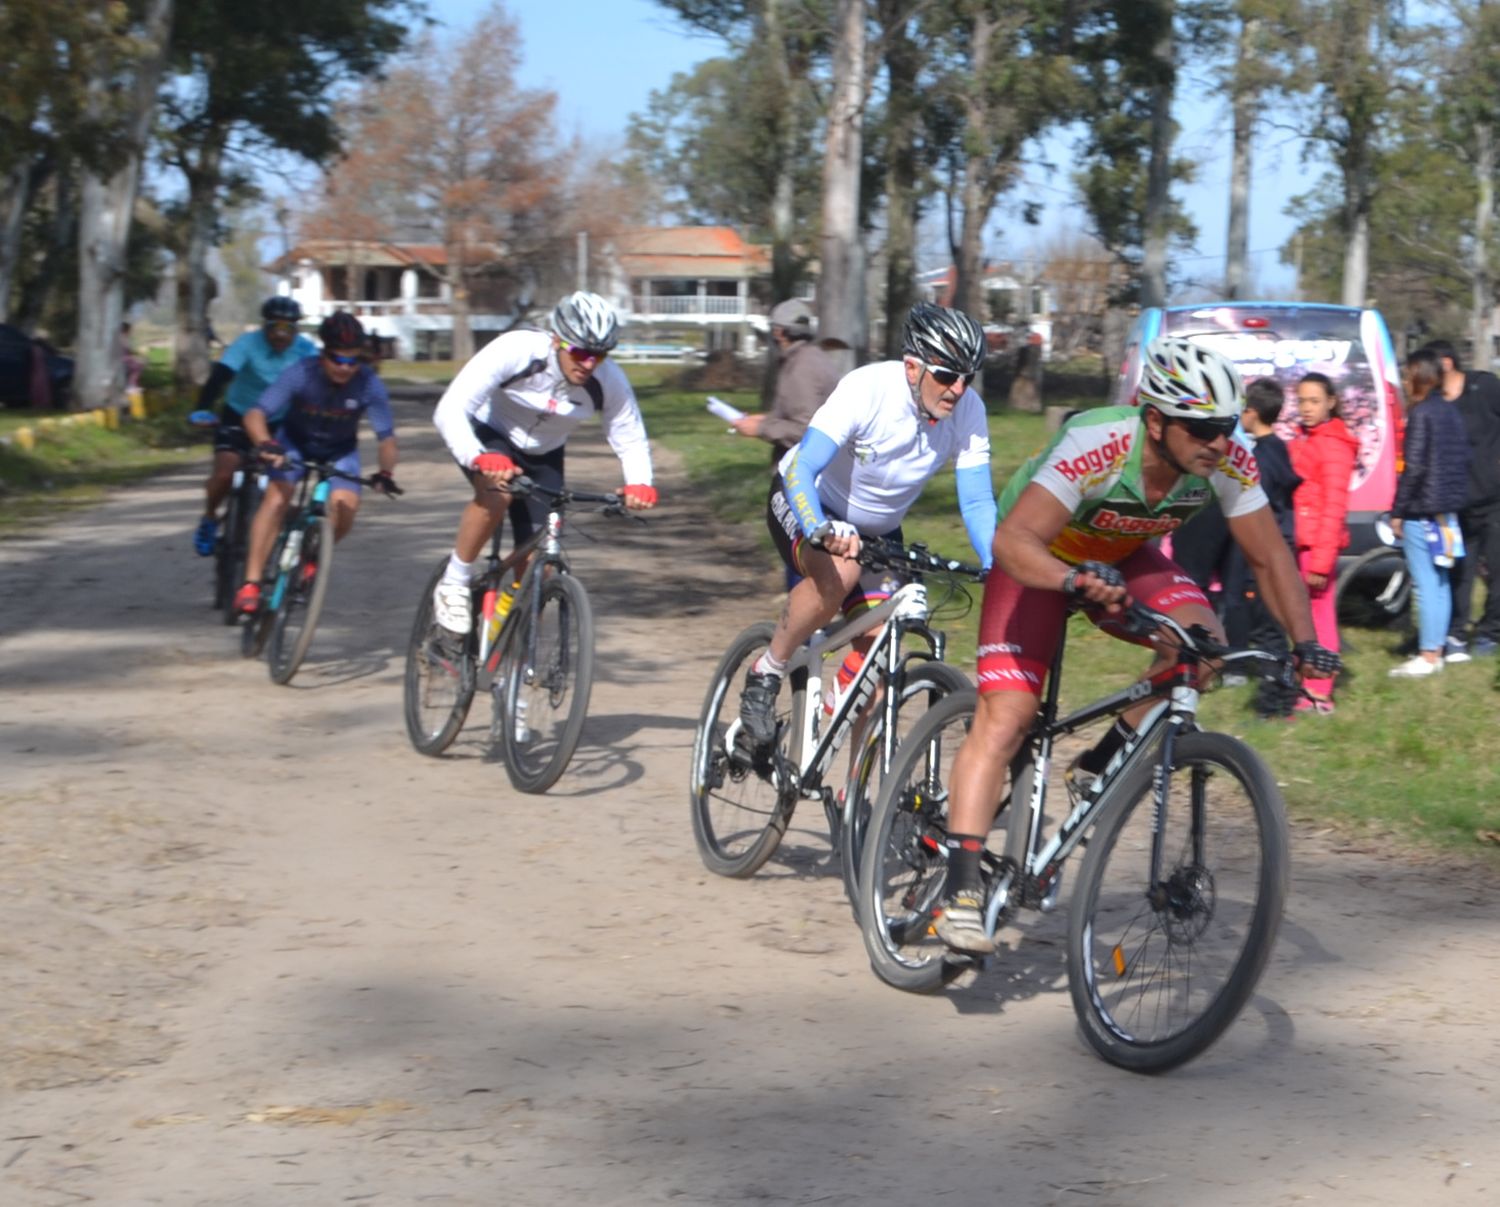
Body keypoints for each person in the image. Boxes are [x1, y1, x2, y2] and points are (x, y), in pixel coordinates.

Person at [932, 337, 1338, 954]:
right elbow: (1015, 541)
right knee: (1009, 716)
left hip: (1118, 557)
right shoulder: (1099, 445)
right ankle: (960, 890)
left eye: (1226, 427)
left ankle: (1099, 765)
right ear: (1154, 420)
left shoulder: (1227, 462)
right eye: (1201, 428)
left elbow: (1268, 555)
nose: (1217, 442)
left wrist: (1305, 642)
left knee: (1202, 649)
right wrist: (1072, 581)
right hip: (1038, 558)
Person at [736, 301, 998, 746]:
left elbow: (976, 501)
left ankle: (854, 805)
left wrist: (996, 563)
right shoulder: (867, 389)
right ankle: (767, 672)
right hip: (808, 501)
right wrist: (820, 528)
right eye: (947, 375)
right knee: (840, 572)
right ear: (912, 367)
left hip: (877, 530)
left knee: (880, 662)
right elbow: (803, 470)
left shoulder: (969, 412)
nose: (957, 388)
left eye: (966, 377)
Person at [428, 291, 658, 635]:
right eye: (580, 352)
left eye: (599, 355)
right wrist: (477, 456)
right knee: (497, 494)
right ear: (556, 340)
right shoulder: (516, 350)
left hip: (544, 453)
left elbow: (629, 435)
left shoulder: (609, 380)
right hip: (490, 436)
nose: (589, 364)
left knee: (539, 572)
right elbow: (451, 408)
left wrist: (639, 482)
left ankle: (506, 658)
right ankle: (454, 582)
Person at [234, 312, 399, 614]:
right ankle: (251, 583)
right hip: (293, 445)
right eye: (338, 360)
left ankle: (312, 555)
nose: (345, 368)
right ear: (323, 354)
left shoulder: (368, 383)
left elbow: (386, 438)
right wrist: (265, 443)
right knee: (275, 499)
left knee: (345, 506)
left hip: (339, 451)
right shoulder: (301, 372)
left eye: (352, 361)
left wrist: (385, 472)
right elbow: (255, 414)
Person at [730, 299, 844, 590]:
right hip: (830, 477)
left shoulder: (800, 368)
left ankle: (803, 621)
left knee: (802, 554)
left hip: (809, 480)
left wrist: (760, 428)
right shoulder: (812, 359)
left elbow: (806, 430)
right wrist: (767, 418)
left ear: (779, 332)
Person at [193, 297, 318, 556]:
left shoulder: (307, 350)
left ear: (297, 330)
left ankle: (279, 524)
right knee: (225, 473)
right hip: (238, 414)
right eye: (275, 328)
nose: (281, 336)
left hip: (278, 422)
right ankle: (209, 517)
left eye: (288, 329)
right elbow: (220, 376)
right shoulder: (247, 343)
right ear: (265, 327)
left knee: (281, 481)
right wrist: (202, 408)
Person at [1388, 349, 1472, 677]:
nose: (1406, 382)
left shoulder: (1421, 414)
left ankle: (1427, 655)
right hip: (1446, 512)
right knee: (1440, 583)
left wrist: (1398, 510)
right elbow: (1464, 457)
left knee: (1425, 585)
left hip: (1421, 511)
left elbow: (1415, 467)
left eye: (1409, 375)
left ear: (1421, 376)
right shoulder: (1450, 411)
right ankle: (1435, 650)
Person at [1421, 339, 1500, 659]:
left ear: (1447, 363)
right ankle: (1455, 633)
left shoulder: (1486, 387)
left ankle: (1491, 632)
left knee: (1497, 571)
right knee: (1459, 574)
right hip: (1454, 505)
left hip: (1494, 499)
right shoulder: (1435, 402)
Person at [1287, 371, 1357, 714]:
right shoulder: (1308, 438)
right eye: (1301, 400)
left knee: (1320, 618)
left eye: (1314, 401)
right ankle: (1308, 681)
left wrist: (1321, 560)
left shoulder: (1333, 445)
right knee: (1306, 617)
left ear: (1331, 402)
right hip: (1303, 543)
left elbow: (1334, 507)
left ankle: (1319, 691)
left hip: (1316, 547)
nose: (1307, 407)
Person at [1238, 376, 1302, 716]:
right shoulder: (1280, 448)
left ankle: (1275, 701)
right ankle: (1282, 692)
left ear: (1252, 412)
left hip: (1266, 552)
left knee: (1267, 630)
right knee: (1274, 626)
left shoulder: (1260, 459)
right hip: (1282, 548)